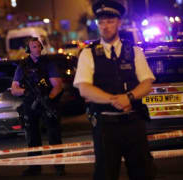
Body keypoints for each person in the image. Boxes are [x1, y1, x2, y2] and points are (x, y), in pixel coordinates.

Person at [73, 1, 156, 180]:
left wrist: (130, 97)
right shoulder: (88, 54)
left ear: (119, 22)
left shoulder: (134, 51)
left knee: (143, 174)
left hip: (134, 123)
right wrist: (115, 100)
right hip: (105, 127)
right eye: (101, 22)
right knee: (105, 174)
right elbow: (84, 89)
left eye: (110, 21)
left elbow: (147, 83)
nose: (105, 26)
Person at [11, 37, 65, 176]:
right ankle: (34, 167)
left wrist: (49, 99)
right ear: (29, 50)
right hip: (30, 104)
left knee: (54, 135)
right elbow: (14, 89)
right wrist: (27, 92)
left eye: (39, 46)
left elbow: (57, 85)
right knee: (32, 136)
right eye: (34, 46)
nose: (37, 49)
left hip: (46, 101)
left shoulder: (48, 63)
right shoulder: (23, 65)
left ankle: (58, 166)